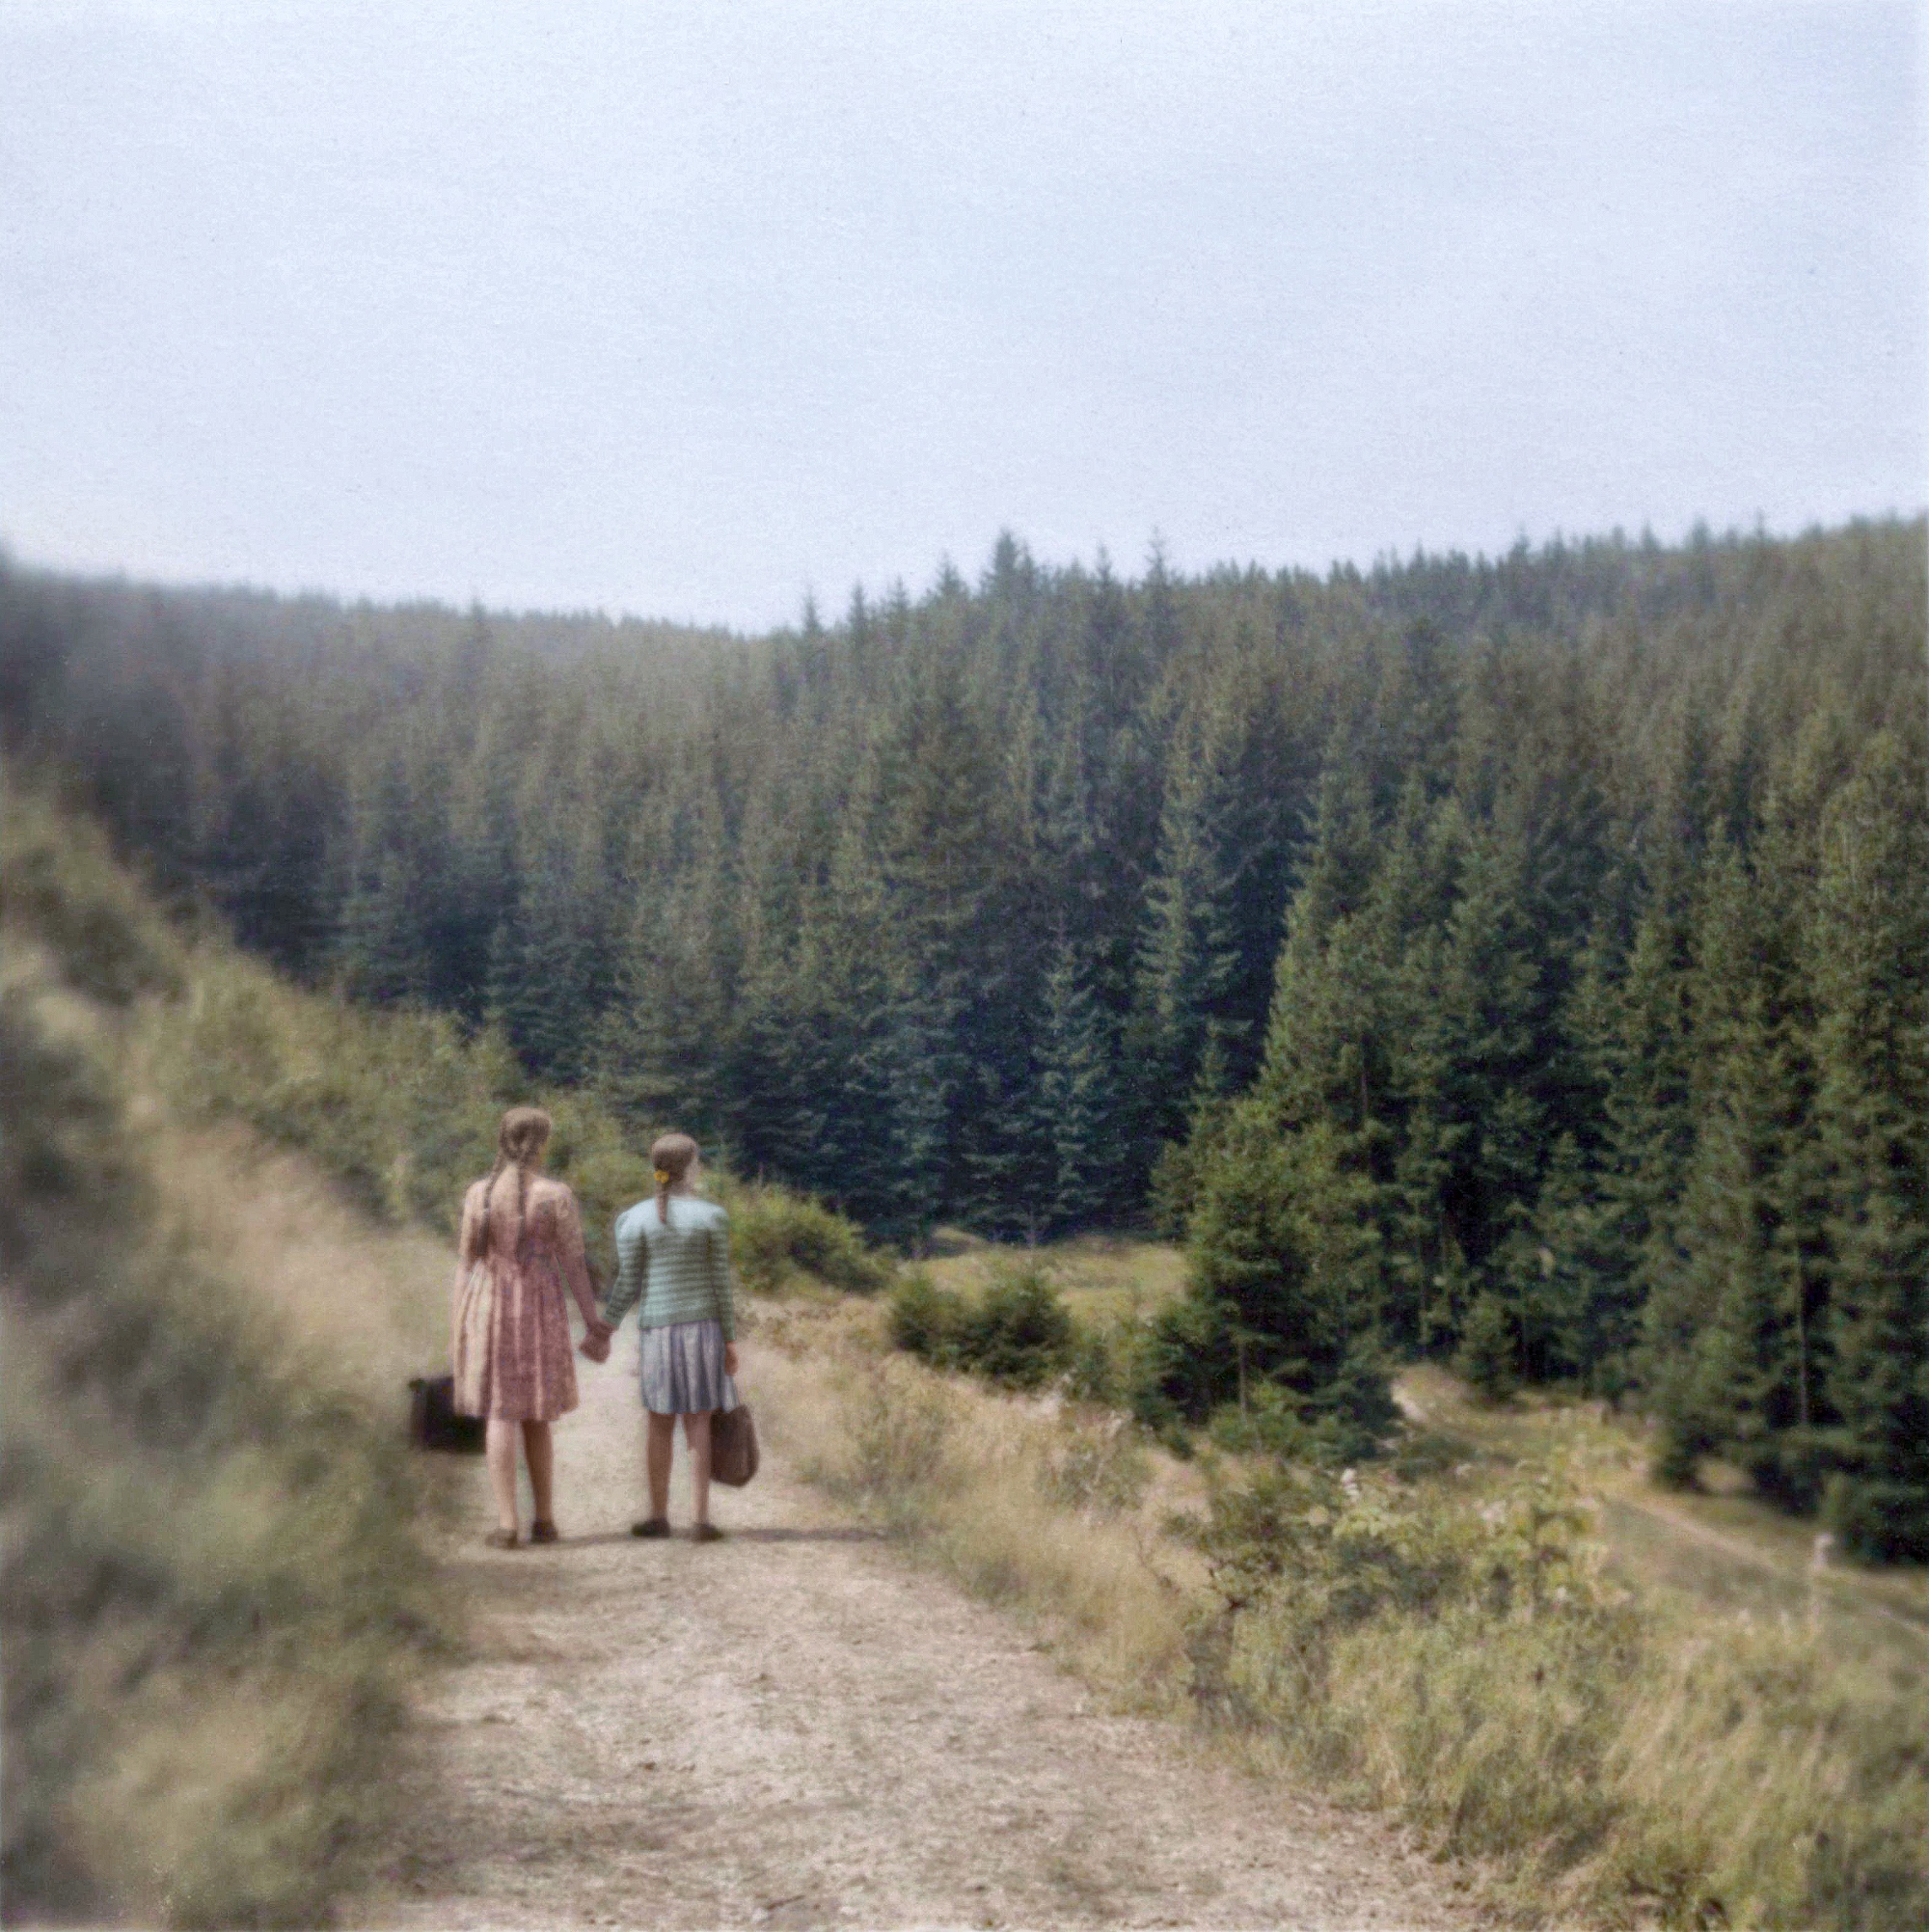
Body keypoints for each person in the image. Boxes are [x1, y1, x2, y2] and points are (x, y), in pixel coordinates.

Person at [451, 1106, 611, 1548]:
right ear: (542, 1142)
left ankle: (507, 1525)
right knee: (537, 1413)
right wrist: (593, 1321)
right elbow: (574, 1263)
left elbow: (465, 1264)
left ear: (502, 1140)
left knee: (500, 1413)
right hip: (540, 1307)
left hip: (488, 1306)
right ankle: (545, 1520)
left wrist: (457, 1325)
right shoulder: (555, 1195)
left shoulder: (479, 1193)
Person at [598, 1131, 739, 1543]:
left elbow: (627, 1284)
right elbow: (721, 1285)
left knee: (658, 1425)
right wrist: (730, 1340)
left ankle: (658, 1517)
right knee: (698, 1423)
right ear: (690, 1167)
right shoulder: (712, 1217)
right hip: (703, 1330)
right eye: (697, 1162)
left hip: (657, 1332)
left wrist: (605, 1328)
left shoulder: (633, 1219)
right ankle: (700, 1520)